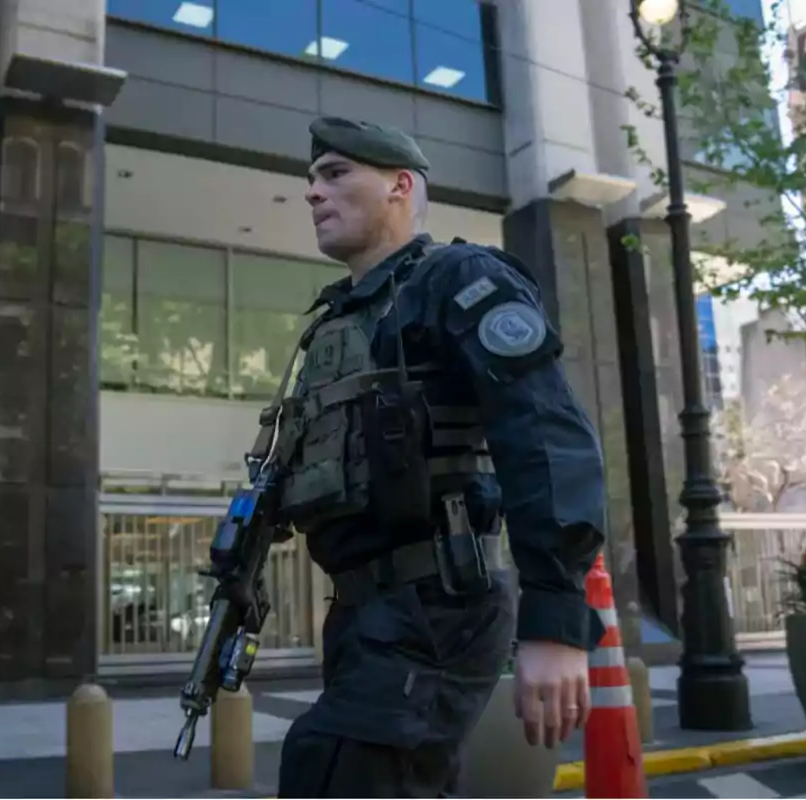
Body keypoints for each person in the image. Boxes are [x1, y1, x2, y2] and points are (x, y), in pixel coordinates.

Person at [263, 117, 608, 797]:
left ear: (399, 186)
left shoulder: (459, 279)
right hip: (365, 613)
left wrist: (556, 621)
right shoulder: (340, 320)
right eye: (311, 179)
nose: (312, 193)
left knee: (336, 771)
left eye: (335, 175)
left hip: (438, 605)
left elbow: (543, 435)